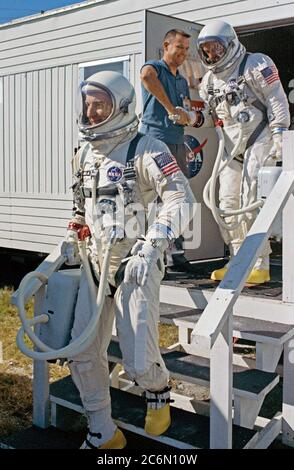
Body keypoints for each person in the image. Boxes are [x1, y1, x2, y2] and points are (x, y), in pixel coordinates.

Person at [63, 70, 196, 449]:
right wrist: (73, 234)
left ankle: (157, 387)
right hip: (93, 265)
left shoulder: (148, 148)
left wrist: (152, 244)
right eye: (87, 105)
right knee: (83, 353)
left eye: (99, 105)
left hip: (134, 261)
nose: (90, 113)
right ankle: (103, 432)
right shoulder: (85, 152)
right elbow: (78, 206)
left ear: (119, 107)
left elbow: (181, 200)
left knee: (137, 361)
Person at [195, 20, 290, 284]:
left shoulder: (255, 64)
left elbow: (276, 98)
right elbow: (209, 115)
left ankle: (259, 264)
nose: (212, 54)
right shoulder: (210, 82)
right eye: (207, 49)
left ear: (231, 44)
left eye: (216, 47)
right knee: (226, 205)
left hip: (259, 138)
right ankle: (238, 260)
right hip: (231, 146)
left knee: (250, 203)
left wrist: (280, 133)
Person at [140, 29, 199, 271]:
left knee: (180, 200)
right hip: (155, 142)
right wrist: (170, 109)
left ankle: (177, 256)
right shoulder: (155, 67)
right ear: (166, 45)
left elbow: (183, 110)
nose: (183, 53)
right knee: (154, 201)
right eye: (179, 47)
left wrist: (186, 116)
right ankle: (152, 257)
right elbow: (146, 77)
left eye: (186, 49)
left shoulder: (182, 80)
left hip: (177, 143)